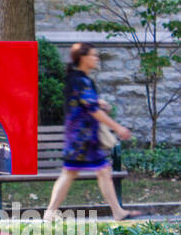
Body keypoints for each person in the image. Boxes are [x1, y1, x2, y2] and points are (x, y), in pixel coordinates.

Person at [45, 41, 138, 223]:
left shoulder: (79, 79)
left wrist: (99, 103)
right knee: (72, 172)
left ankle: (117, 211)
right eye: (93, 55)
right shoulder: (80, 80)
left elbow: (86, 103)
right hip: (82, 138)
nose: (96, 58)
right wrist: (118, 127)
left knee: (100, 171)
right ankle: (50, 211)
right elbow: (93, 110)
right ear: (83, 58)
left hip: (84, 137)